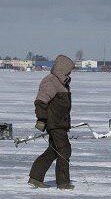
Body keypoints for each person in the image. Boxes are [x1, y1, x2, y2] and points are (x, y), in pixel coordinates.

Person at [28, 54, 75, 190]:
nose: (70, 73)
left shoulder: (61, 82)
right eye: (69, 70)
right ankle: (63, 183)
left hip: (60, 123)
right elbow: (40, 102)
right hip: (55, 124)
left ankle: (35, 177)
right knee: (64, 150)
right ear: (63, 68)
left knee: (53, 151)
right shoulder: (51, 81)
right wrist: (41, 119)